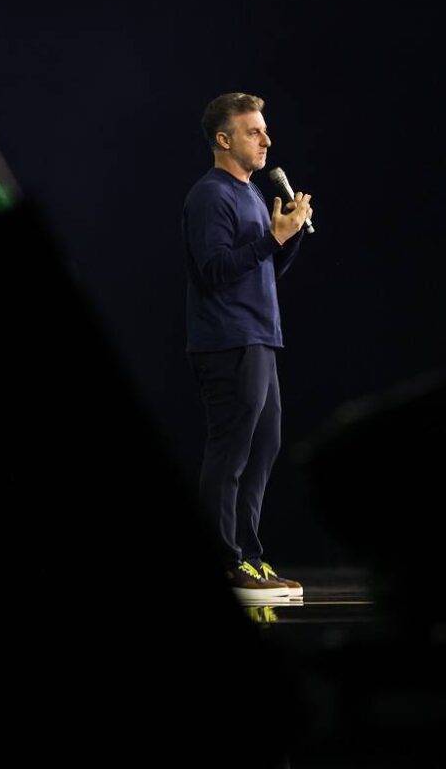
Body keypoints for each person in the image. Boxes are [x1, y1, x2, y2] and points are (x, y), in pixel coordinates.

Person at [182, 92, 313, 605]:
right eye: (253, 131)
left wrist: (290, 234)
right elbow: (214, 273)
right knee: (231, 451)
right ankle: (225, 559)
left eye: (265, 130)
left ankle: (249, 556)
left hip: (259, 336)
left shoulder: (253, 194)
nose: (266, 140)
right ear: (224, 139)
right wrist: (272, 240)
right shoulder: (210, 195)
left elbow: (263, 269)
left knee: (264, 447)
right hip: (227, 340)